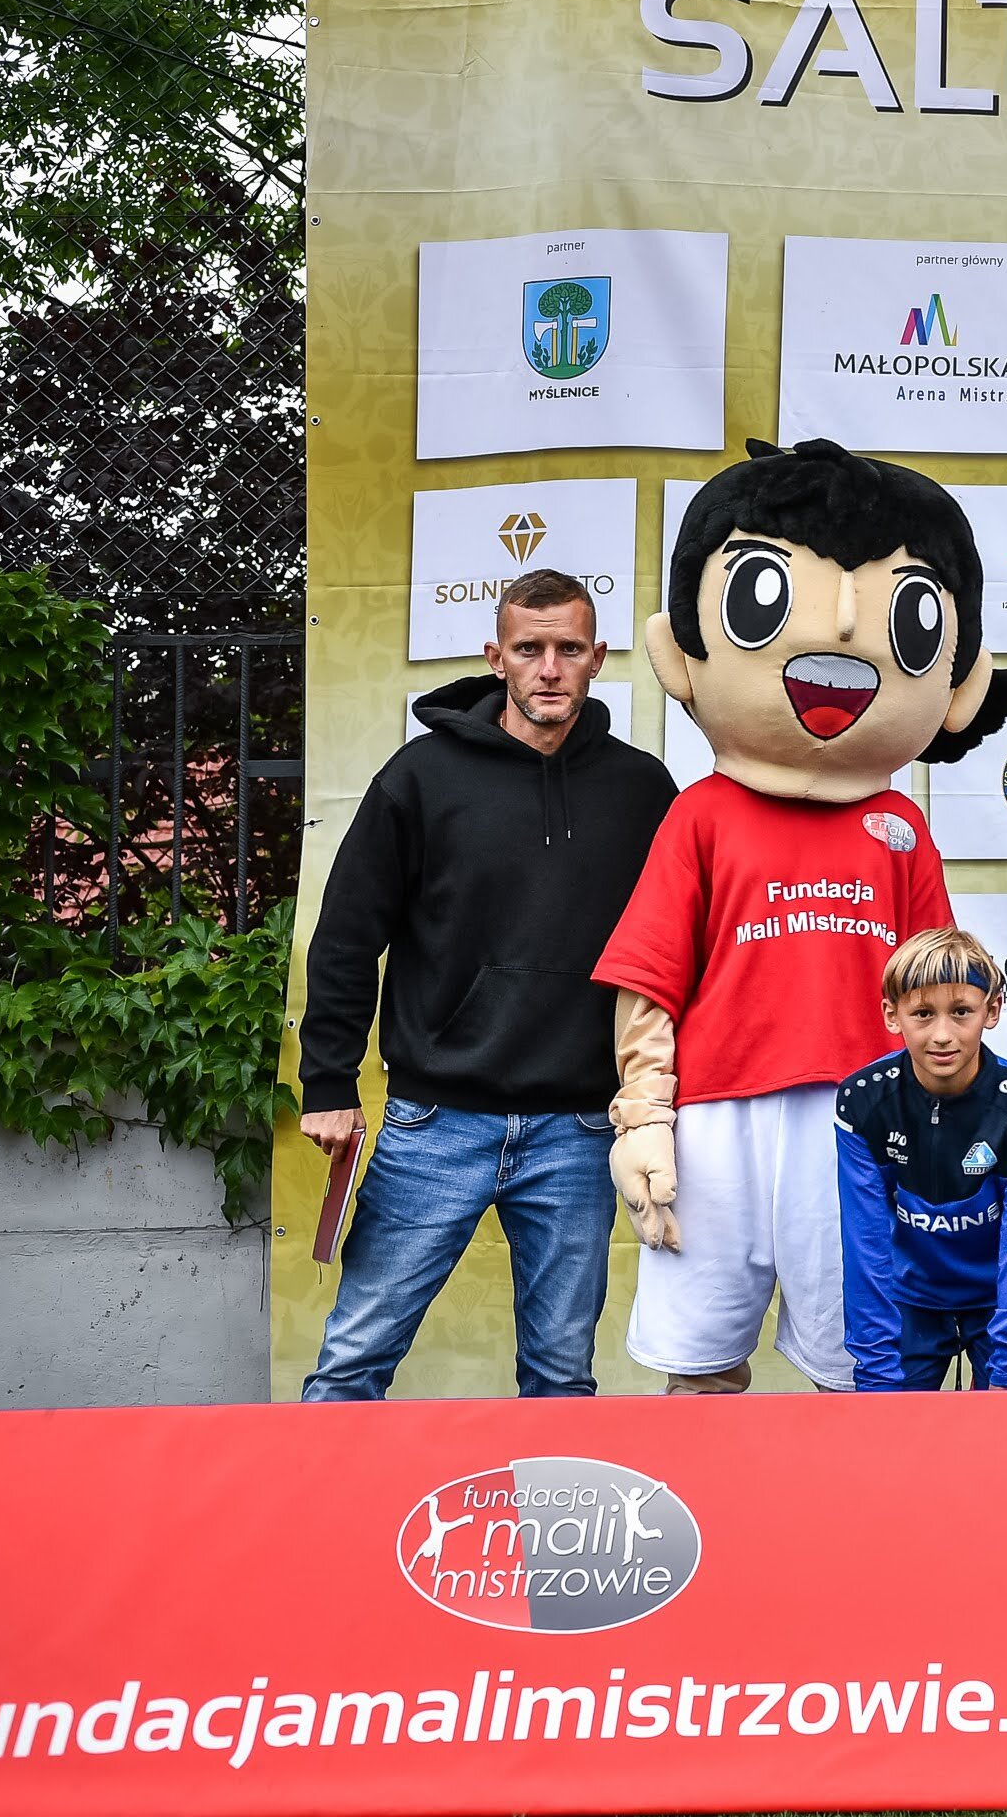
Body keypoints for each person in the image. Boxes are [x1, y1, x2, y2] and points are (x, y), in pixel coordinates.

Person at [596, 440, 1007, 1395]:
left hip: (864, 1118)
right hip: (715, 1118)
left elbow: (941, 992)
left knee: (861, 1367)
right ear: (681, 651)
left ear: (957, 683)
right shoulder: (701, 814)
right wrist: (644, 1117)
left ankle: (850, 1500)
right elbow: (651, 979)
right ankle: (701, 1496)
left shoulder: (899, 825)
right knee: (700, 1367)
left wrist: (947, 1117)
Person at [297, 568, 677, 1400]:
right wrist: (327, 1081)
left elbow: (679, 951)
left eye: (568, 649)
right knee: (353, 1362)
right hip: (435, 1122)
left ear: (598, 658)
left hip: (581, 1128)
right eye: (529, 649)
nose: (550, 668)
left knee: (561, 1376)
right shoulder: (420, 778)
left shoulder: (642, 790)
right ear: (495, 658)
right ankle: (315, 1493)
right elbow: (348, 936)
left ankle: (552, 1500)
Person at [834, 928, 1007, 1392]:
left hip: (1003, 1300)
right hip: (910, 1296)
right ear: (892, 1015)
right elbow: (864, 1244)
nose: (942, 1035)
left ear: (992, 1011)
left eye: (961, 1012)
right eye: (922, 1013)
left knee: (1006, 1431)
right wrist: (877, 1367)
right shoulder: (862, 1100)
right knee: (890, 1428)